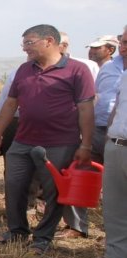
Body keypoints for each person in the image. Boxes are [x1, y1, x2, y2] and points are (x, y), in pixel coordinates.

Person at [0, 24, 95, 254]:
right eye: (24, 43)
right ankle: (17, 231)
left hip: (60, 143)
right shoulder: (25, 69)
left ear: (49, 41)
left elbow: (86, 109)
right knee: (14, 185)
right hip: (23, 140)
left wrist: (86, 144)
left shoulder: (77, 70)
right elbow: (10, 103)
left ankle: (42, 238)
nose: (25, 48)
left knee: (53, 191)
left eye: (29, 43)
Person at [55, 32, 101, 239]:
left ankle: (78, 226)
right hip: (47, 133)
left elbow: (90, 101)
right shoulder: (28, 68)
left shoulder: (83, 67)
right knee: (64, 178)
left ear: (61, 45)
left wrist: (86, 139)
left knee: (78, 176)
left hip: (81, 130)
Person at [94, 66, 127, 258]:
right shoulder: (125, 75)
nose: (125, 46)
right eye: (123, 41)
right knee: (114, 204)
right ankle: (117, 254)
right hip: (117, 144)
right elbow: (118, 108)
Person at [90, 32, 125, 164]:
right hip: (100, 126)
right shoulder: (108, 67)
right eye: (121, 43)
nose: (123, 46)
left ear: (110, 50)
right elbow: (96, 93)